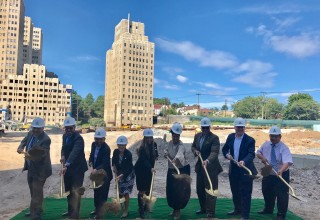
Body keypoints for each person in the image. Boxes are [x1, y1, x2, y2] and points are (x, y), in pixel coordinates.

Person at [222, 117, 257, 220]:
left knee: (245, 192)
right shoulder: (231, 137)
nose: (240, 129)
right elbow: (224, 150)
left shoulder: (250, 140)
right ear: (235, 127)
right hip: (233, 169)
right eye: (238, 127)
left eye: (242, 127)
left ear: (244, 128)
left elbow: (251, 154)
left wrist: (244, 161)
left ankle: (245, 215)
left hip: (245, 169)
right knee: (235, 191)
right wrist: (227, 155)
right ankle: (237, 210)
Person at [17, 117, 52, 220]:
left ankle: (36, 215)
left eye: (38, 128)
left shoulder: (46, 139)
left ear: (43, 128)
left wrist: (31, 156)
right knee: (33, 190)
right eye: (34, 128)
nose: (36, 130)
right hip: (31, 167)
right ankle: (37, 209)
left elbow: (42, 155)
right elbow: (24, 141)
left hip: (41, 170)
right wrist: (20, 147)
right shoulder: (30, 133)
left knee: (37, 192)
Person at [256, 125, 293, 220]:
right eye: (272, 136)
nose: (273, 138)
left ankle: (281, 214)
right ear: (269, 136)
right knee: (266, 191)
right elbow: (258, 152)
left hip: (281, 173)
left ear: (280, 137)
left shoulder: (284, 148)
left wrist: (280, 170)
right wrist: (262, 158)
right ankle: (268, 209)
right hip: (269, 172)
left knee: (282, 195)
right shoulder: (266, 144)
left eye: (276, 136)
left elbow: (287, 162)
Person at [191, 117, 223, 218]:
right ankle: (203, 208)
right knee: (200, 189)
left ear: (210, 127)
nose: (205, 130)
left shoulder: (214, 138)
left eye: (207, 128)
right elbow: (193, 146)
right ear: (201, 127)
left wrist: (207, 160)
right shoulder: (197, 136)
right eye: (203, 128)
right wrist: (195, 151)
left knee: (210, 190)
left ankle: (210, 212)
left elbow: (214, 152)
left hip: (211, 168)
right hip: (200, 167)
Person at [60, 117, 88, 219]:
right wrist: (62, 155)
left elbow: (74, 153)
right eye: (66, 128)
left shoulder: (78, 139)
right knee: (68, 191)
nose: (68, 130)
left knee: (76, 192)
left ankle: (75, 215)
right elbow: (63, 148)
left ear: (74, 127)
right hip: (68, 169)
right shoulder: (64, 136)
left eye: (70, 128)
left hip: (78, 169)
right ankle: (70, 211)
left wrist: (66, 164)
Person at [164, 122, 191, 220]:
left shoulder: (181, 145)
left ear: (179, 136)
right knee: (171, 190)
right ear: (172, 135)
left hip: (181, 170)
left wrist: (175, 159)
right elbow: (167, 149)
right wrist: (165, 153)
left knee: (179, 192)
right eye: (174, 135)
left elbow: (180, 153)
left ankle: (178, 211)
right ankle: (174, 209)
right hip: (172, 170)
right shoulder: (170, 143)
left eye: (177, 136)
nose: (175, 138)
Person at [88, 128, 113, 219]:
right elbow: (91, 156)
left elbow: (105, 163)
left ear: (104, 139)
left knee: (102, 194)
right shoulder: (93, 145)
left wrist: (96, 169)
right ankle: (97, 209)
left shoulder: (106, 148)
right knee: (96, 192)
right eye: (97, 139)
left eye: (100, 139)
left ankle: (100, 214)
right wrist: (90, 164)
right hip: (96, 174)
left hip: (104, 175)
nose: (98, 141)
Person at [134, 128, 158, 218]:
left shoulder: (154, 145)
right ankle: (141, 211)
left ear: (152, 138)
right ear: (144, 138)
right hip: (141, 171)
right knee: (142, 190)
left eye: (150, 138)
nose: (149, 139)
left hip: (149, 171)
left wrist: (156, 157)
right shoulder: (141, 148)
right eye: (147, 138)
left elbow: (156, 154)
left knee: (148, 189)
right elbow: (144, 160)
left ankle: (146, 207)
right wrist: (151, 168)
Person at [112, 135, 135, 219]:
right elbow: (114, 160)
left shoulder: (128, 154)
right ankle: (120, 207)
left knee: (125, 192)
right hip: (119, 174)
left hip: (128, 175)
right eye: (119, 145)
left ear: (126, 145)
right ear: (117, 145)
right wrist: (113, 167)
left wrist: (122, 175)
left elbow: (129, 168)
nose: (121, 146)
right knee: (120, 191)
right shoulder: (115, 152)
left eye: (123, 145)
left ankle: (126, 210)